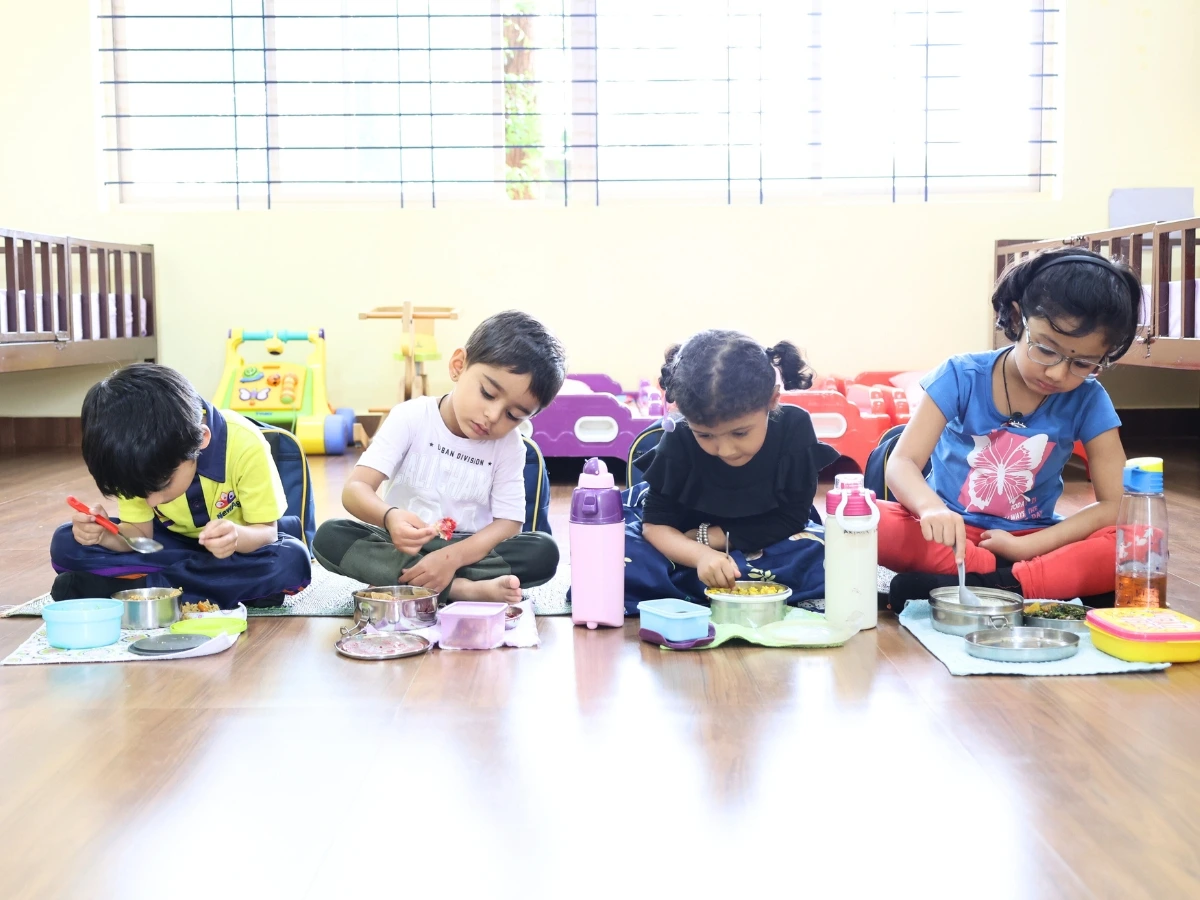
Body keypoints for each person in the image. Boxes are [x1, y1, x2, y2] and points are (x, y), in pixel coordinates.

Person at [882, 248, 1140, 608]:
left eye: (1082, 363)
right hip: (951, 533)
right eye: (1046, 350)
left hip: (1033, 541)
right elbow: (902, 462)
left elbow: (1116, 503)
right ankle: (1021, 582)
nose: (1058, 373)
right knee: (863, 520)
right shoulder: (960, 375)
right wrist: (930, 509)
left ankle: (991, 584)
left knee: (1137, 541)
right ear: (1018, 318)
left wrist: (1027, 547)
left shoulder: (1089, 398)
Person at [314, 310, 565, 602]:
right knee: (330, 536)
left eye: (513, 415)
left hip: (469, 551)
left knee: (543, 552)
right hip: (403, 544)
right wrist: (390, 517)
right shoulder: (410, 416)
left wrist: (452, 558)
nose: (493, 416)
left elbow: (508, 524)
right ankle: (462, 590)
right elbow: (355, 489)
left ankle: (399, 581)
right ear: (458, 366)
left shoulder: (509, 446)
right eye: (487, 393)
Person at [50, 364, 312, 608]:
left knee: (291, 559)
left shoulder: (245, 443)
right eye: (140, 493)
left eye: (162, 485)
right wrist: (104, 535)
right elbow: (140, 536)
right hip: (170, 547)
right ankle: (211, 586)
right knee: (65, 542)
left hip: (237, 550)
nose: (151, 502)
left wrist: (235, 537)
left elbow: (266, 533)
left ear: (201, 440)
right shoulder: (130, 456)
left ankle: (139, 589)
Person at [623, 329, 838, 612]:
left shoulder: (794, 427)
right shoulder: (679, 436)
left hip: (768, 533)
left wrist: (712, 538)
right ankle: (705, 581)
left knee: (827, 553)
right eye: (705, 435)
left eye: (739, 433)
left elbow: (793, 517)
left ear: (772, 399)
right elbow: (655, 525)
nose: (725, 450)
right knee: (621, 553)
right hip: (681, 538)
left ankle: (690, 588)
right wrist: (700, 556)